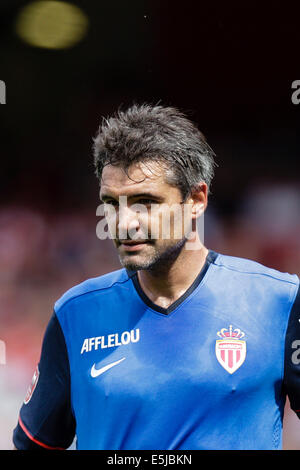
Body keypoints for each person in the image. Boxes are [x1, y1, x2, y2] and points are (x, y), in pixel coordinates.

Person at [13, 103, 300, 450]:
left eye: (145, 202)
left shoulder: (279, 302)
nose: (123, 223)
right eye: (111, 203)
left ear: (196, 199)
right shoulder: (75, 314)